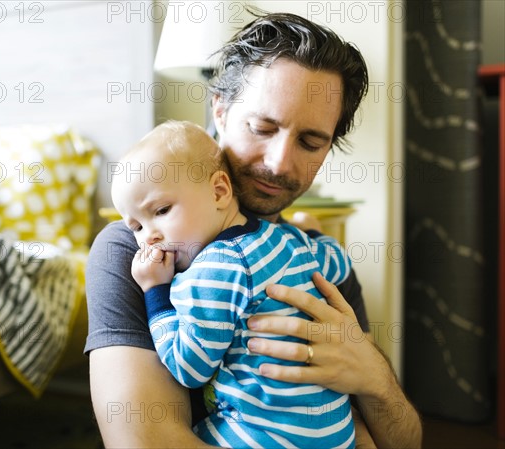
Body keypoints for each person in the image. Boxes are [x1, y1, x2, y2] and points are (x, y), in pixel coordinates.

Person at [85, 11, 422, 449]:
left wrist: (376, 379)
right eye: (263, 127)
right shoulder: (139, 253)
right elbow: (146, 443)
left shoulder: (314, 259)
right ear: (220, 110)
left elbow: (404, 441)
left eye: (310, 142)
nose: (280, 162)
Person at [111, 120, 356, 448]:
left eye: (162, 210)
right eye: (136, 227)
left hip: (262, 436)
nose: (150, 236)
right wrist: (311, 233)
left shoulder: (208, 274)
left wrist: (156, 293)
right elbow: (339, 262)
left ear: (219, 192)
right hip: (335, 433)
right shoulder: (290, 241)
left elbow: (189, 367)